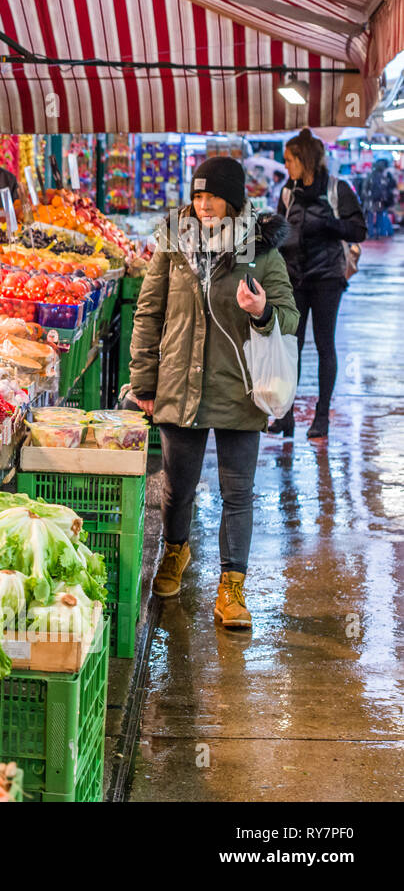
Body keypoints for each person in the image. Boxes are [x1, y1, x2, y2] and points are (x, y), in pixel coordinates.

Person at [130, 156, 298, 630]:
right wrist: (144, 381)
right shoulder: (172, 243)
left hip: (240, 389)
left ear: (234, 199)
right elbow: (149, 314)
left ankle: (232, 588)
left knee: (237, 492)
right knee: (177, 487)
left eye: (213, 196)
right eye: (197, 196)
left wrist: (263, 310)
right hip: (181, 384)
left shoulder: (261, 251)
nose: (203, 206)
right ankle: (174, 553)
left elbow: (290, 317)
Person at [269, 128, 366, 440]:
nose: (286, 166)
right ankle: (285, 416)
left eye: (289, 160)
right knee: (289, 347)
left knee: (325, 345)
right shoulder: (288, 192)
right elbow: (279, 231)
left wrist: (328, 225)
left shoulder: (338, 189)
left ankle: (321, 416)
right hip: (294, 277)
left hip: (327, 278)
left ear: (304, 159)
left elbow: (358, 230)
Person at [364, 158, 396, 239]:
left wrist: (366, 197)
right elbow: (385, 190)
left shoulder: (369, 176)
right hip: (379, 201)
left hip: (370, 200)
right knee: (380, 218)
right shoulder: (382, 177)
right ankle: (380, 233)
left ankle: (371, 234)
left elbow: (365, 189)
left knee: (370, 218)